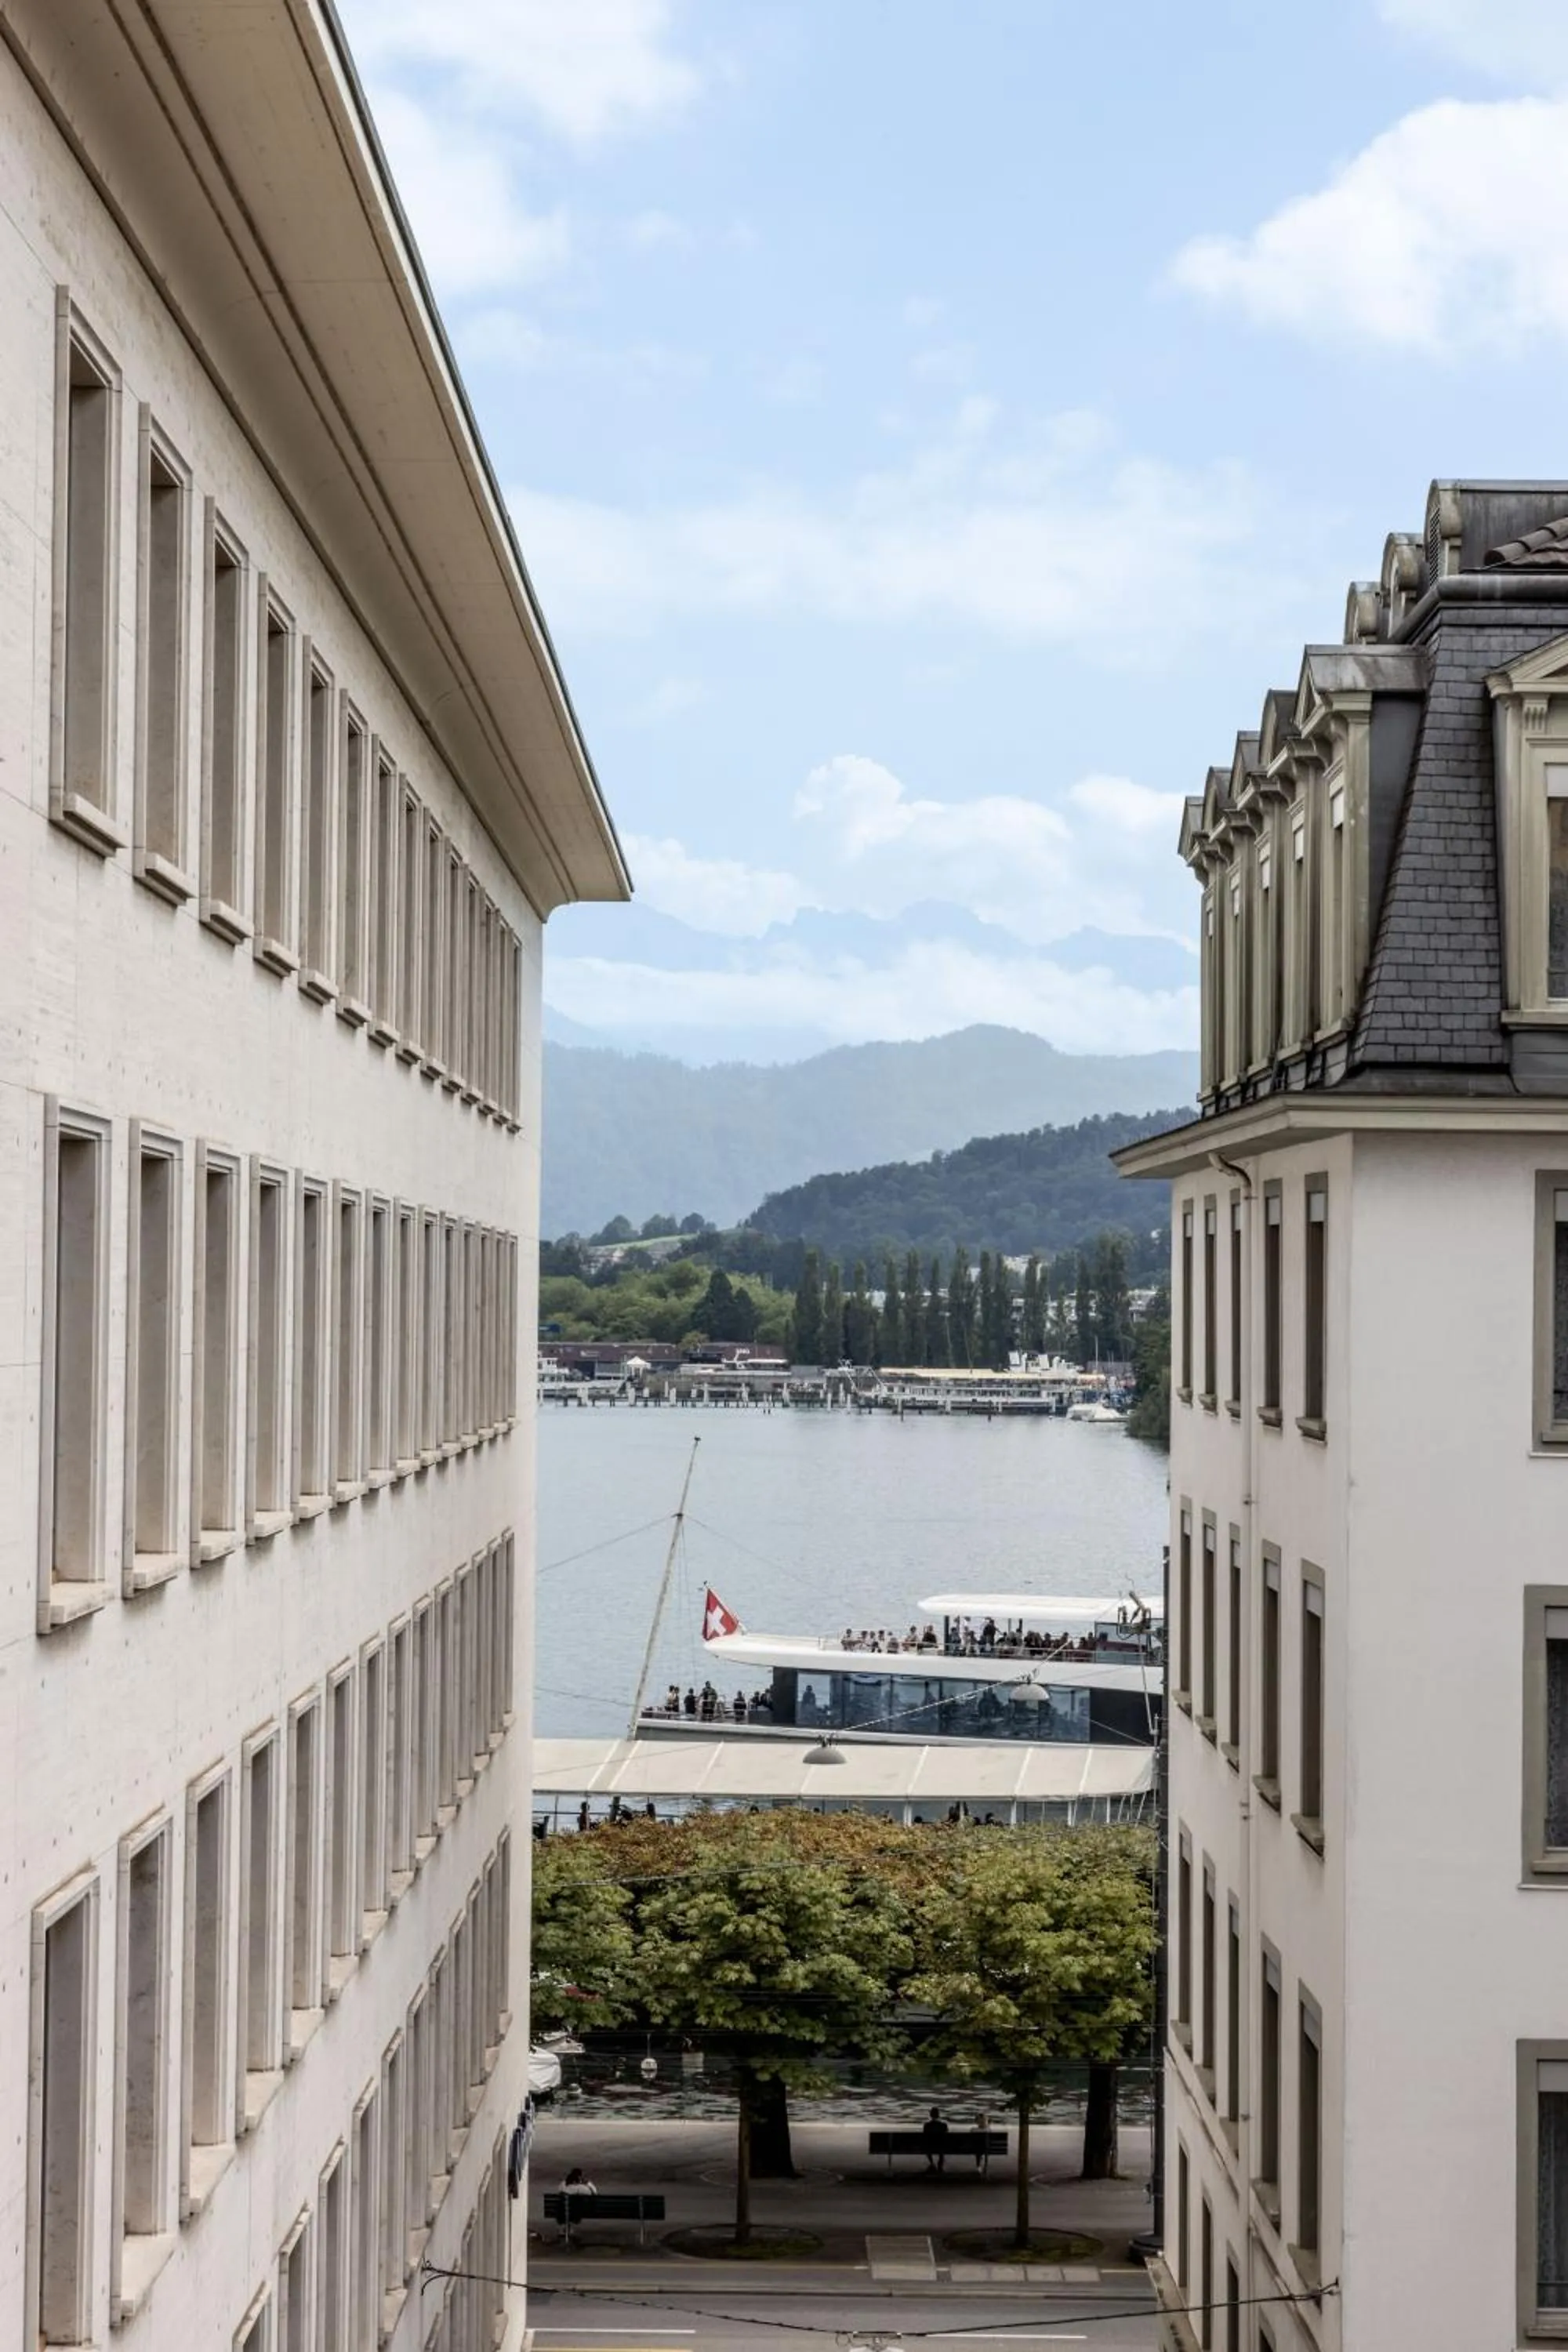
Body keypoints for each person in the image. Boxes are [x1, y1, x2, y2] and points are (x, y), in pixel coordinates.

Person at [921, 2106, 951, 2174]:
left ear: (930, 2115)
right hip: (941, 2146)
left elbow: (924, 2137)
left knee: (928, 2145)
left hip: (929, 2147)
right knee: (942, 2144)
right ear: (938, 2115)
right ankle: (940, 2165)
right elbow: (946, 2136)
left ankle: (932, 2163)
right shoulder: (943, 2125)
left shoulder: (927, 2125)